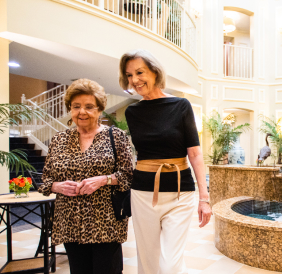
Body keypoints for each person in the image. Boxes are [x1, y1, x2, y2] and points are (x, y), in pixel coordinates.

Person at [119, 49, 212, 274]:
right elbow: (141, 152)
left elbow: (195, 154)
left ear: (155, 71)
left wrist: (204, 198)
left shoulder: (181, 105)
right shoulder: (132, 111)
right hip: (143, 193)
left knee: (171, 264)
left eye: (140, 72)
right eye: (129, 75)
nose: (135, 80)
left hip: (180, 192)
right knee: (148, 261)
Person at [39, 79, 134, 274]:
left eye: (89, 106)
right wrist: (57, 186)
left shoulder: (115, 136)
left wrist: (103, 180)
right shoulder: (59, 140)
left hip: (106, 223)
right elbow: (45, 180)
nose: (82, 111)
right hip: (69, 222)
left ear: (99, 109)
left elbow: (129, 176)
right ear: (70, 109)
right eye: (76, 106)